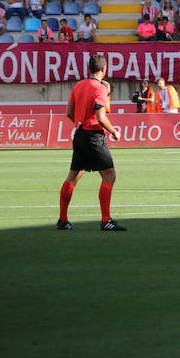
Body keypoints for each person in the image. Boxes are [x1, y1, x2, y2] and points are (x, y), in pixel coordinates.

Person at [57, 55, 125, 231]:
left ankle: (63, 220)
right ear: (104, 69)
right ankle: (106, 220)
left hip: (79, 134)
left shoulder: (78, 85)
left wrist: (80, 124)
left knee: (73, 176)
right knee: (110, 175)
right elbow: (101, 117)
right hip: (93, 136)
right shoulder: (99, 87)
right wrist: (114, 131)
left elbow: (69, 113)